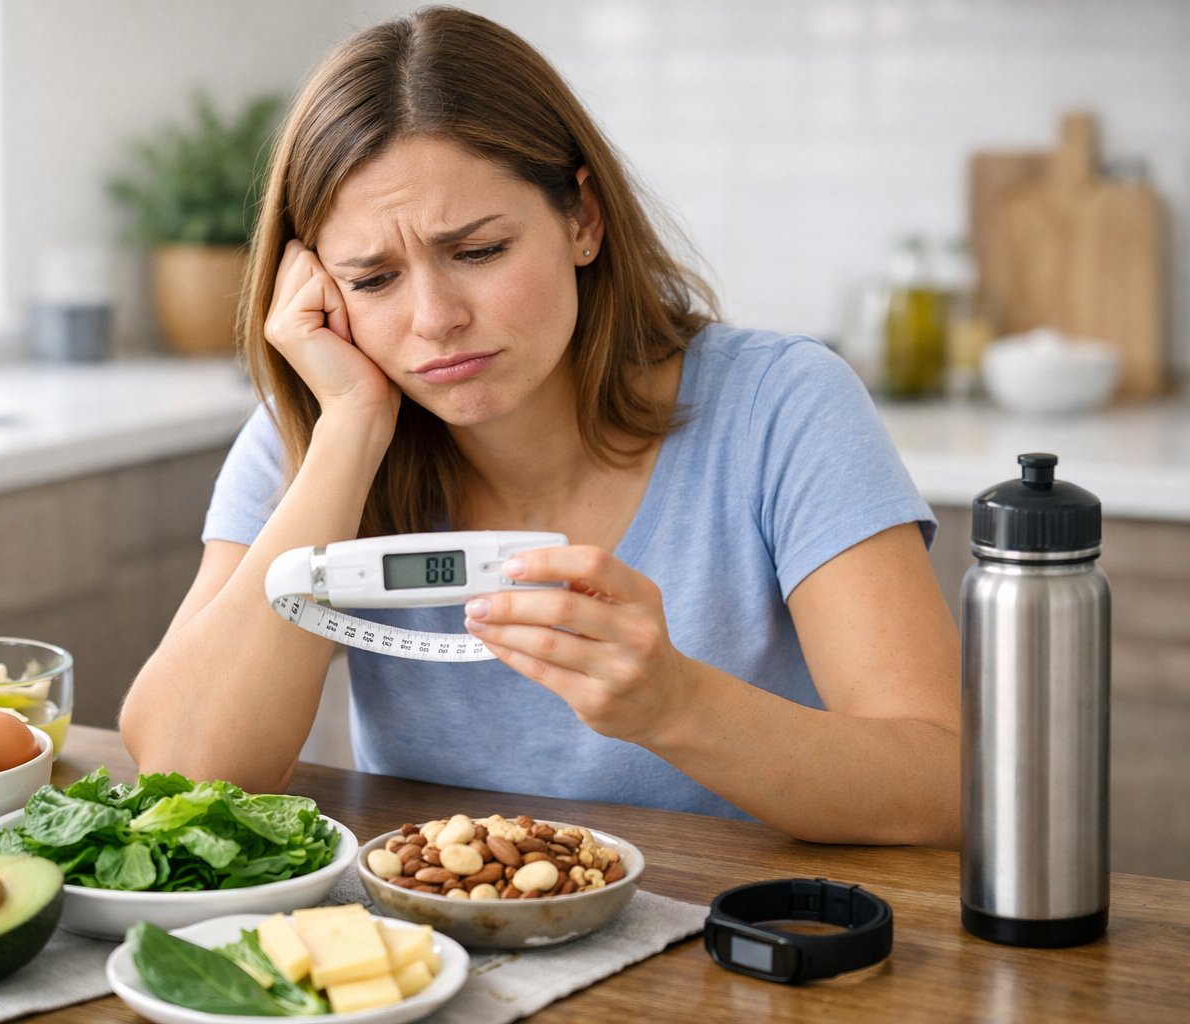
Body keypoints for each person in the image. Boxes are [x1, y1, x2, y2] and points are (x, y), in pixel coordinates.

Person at [119, 5, 960, 848]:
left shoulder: (782, 405)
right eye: (372, 279)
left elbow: (944, 786)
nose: (435, 318)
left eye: (478, 252)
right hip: (448, 949)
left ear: (582, 219)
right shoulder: (316, 432)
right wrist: (349, 433)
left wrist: (676, 704)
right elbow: (186, 773)